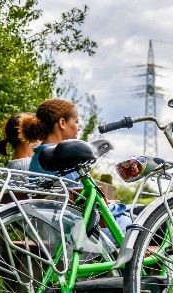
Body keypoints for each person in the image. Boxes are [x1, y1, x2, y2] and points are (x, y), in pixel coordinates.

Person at [27, 98, 131, 243]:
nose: (79, 127)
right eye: (76, 121)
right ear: (62, 123)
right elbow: (85, 206)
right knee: (150, 221)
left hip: (54, 229)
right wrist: (113, 206)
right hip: (88, 234)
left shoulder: (37, 158)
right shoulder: (62, 159)